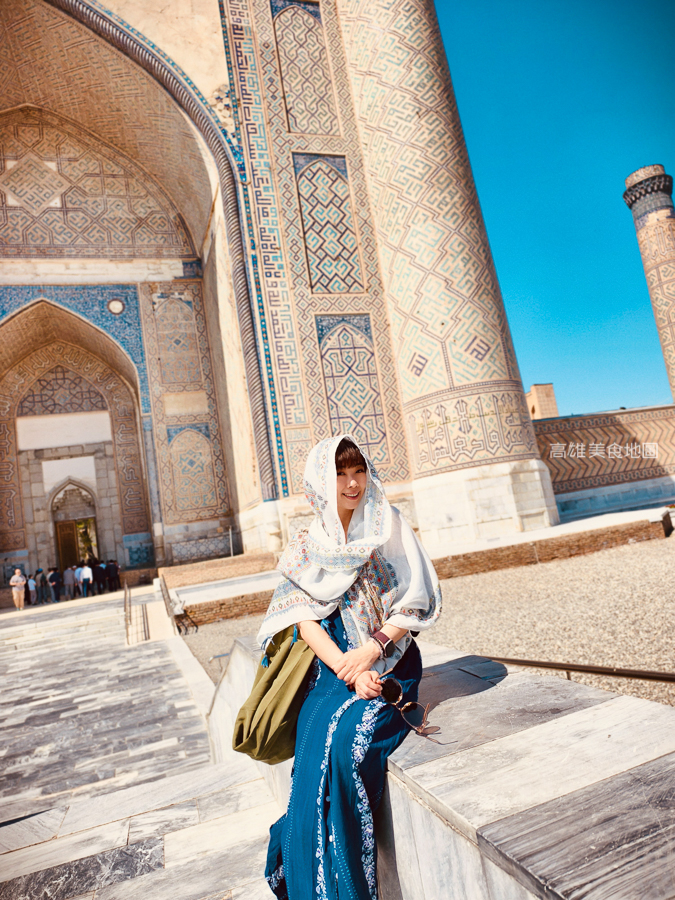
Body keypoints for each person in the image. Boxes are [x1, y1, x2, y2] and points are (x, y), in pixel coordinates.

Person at [259, 435, 441, 900]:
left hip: (391, 660)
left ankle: (345, 884)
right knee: (316, 742)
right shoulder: (309, 543)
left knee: (349, 747)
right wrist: (348, 666)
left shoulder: (387, 527)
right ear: (323, 480)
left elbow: (415, 600)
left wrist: (374, 651)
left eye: (358, 471)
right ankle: (311, 885)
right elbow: (302, 618)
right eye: (340, 473)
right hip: (334, 669)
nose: (352, 482)